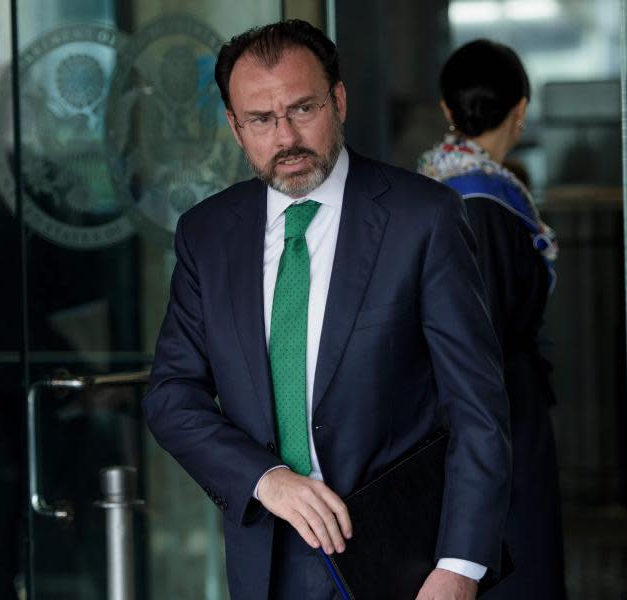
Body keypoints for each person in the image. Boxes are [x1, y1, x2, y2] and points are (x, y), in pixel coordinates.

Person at [143, 20, 511, 600]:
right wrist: (265, 479)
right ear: (236, 128)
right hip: (264, 553)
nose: (285, 136)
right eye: (261, 120)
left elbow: (478, 407)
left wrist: (460, 567)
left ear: (337, 101)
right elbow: (171, 397)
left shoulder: (423, 217)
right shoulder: (206, 235)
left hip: (402, 561)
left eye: (303, 109)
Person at [417, 39, 565, 599]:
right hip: (499, 426)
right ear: (521, 110)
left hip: (458, 422)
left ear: (448, 111)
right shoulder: (485, 205)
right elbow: (486, 344)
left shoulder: (434, 187)